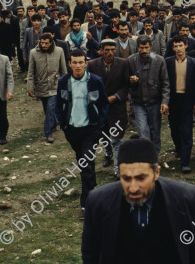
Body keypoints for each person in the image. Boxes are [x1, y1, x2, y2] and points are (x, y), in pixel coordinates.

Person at [81, 137, 195, 263]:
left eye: (141, 178)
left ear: (156, 173)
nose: (133, 188)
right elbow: (90, 253)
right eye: (126, 179)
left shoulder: (188, 197)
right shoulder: (98, 202)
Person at [56, 49, 109, 209]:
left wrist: (99, 123)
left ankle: (88, 201)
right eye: (75, 63)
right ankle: (91, 186)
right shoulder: (63, 81)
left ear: (86, 63)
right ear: (69, 64)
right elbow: (59, 105)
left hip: (91, 129)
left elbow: (104, 104)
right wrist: (63, 124)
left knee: (86, 162)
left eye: (81, 62)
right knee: (83, 161)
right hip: (72, 130)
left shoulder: (95, 81)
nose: (78, 66)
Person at [87, 40, 130, 178]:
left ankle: (118, 170)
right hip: (100, 108)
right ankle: (108, 153)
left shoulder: (123, 63)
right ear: (101, 50)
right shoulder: (93, 65)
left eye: (112, 49)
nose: (110, 53)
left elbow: (126, 86)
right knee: (104, 135)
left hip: (117, 107)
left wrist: (116, 97)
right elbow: (89, 85)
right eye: (107, 50)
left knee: (117, 139)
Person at [128, 35, 170, 155]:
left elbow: (166, 83)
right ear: (138, 48)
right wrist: (131, 80)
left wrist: (165, 102)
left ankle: (155, 156)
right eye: (141, 48)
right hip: (138, 102)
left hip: (154, 102)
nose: (144, 51)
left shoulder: (159, 60)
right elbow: (126, 81)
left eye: (146, 47)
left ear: (150, 47)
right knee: (143, 132)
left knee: (155, 131)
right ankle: (146, 157)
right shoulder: (131, 60)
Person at [165, 35, 195, 174]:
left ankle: (185, 161)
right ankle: (179, 149)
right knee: (174, 129)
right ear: (173, 48)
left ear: (186, 46)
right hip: (173, 100)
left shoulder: (194, 62)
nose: (179, 49)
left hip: (187, 100)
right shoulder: (168, 62)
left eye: (181, 45)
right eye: (176, 46)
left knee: (186, 130)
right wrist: (165, 102)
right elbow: (165, 83)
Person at [27, 33, 67, 143]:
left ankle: (48, 133)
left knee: (50, 108)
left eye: (46, 43)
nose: (44, 45)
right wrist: (30, 87)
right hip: (41, 86)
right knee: (46, 108)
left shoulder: (59, 51)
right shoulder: (33, 53)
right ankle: (53, 123)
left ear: (51, 43)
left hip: (55, 85)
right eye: (42, 42)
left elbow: (63, 70)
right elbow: (31, 72)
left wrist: (66, 86)